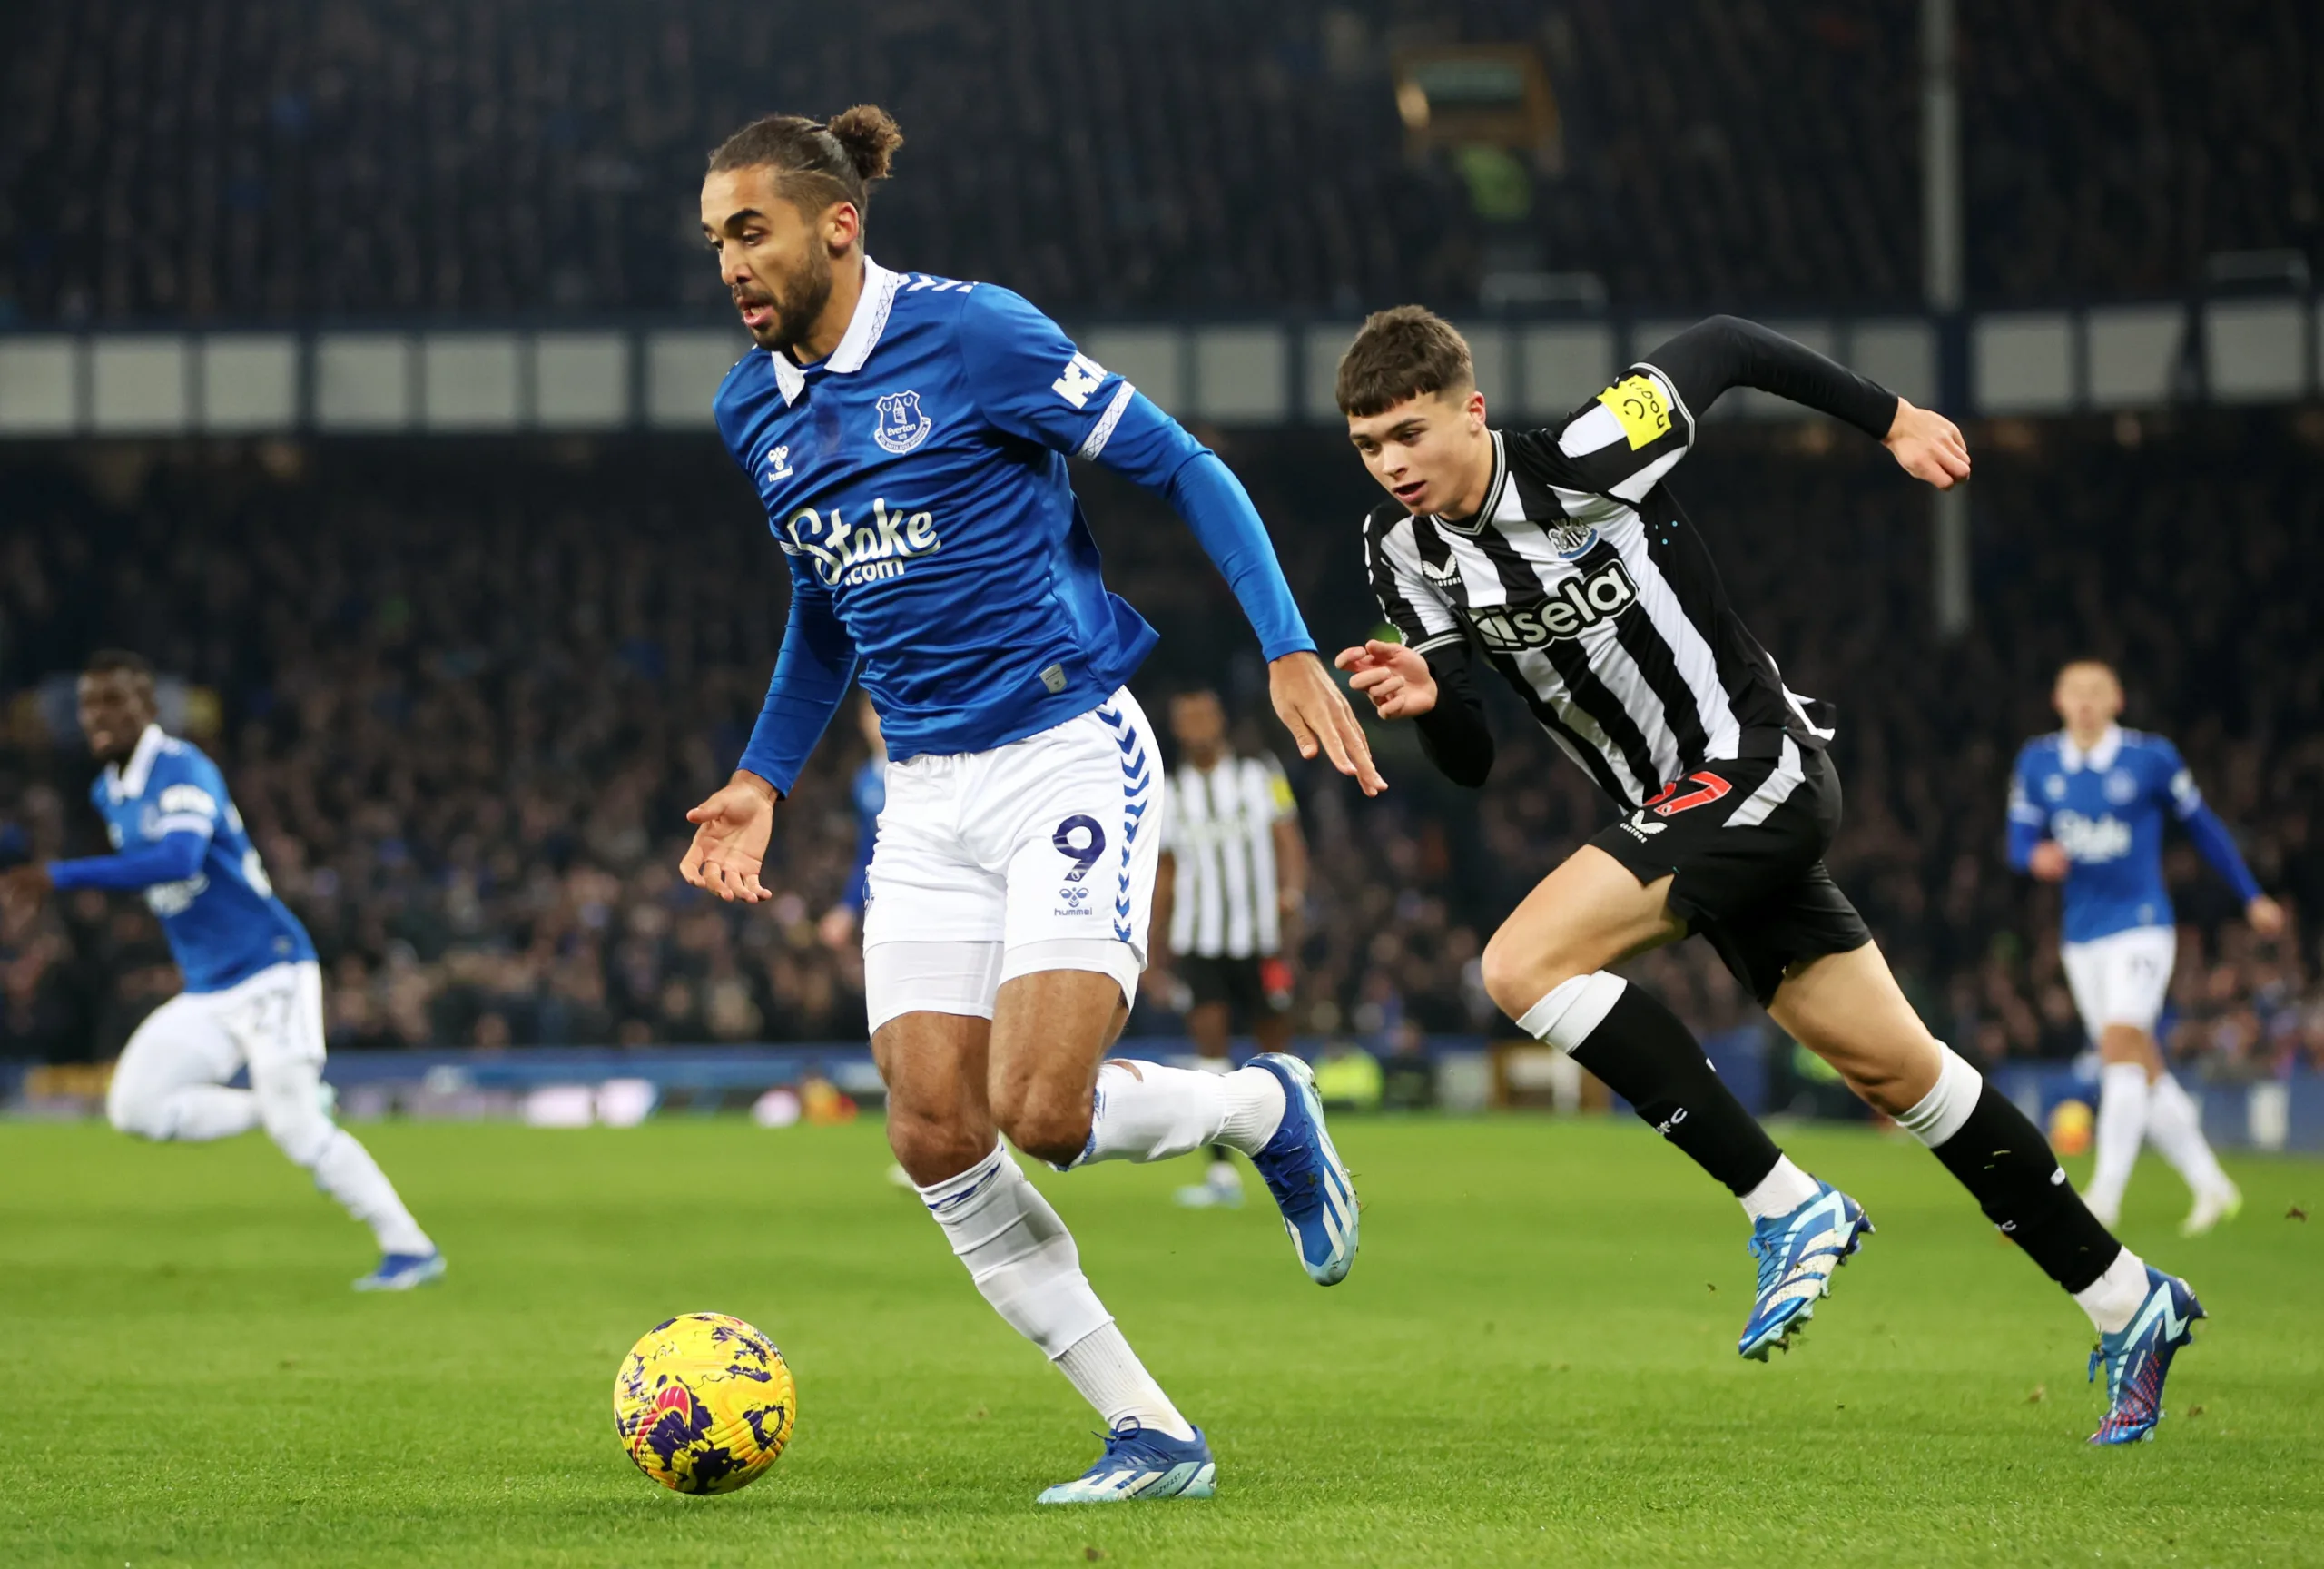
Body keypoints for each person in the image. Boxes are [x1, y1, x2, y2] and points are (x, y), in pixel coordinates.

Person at [1331, 307, 2200, 1446]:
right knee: (1900, 1074)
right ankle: (2128, 1299)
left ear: (1470, 411)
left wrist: (1890, 421)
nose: (1392, 464)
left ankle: (1787, 1204)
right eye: (1366, 446)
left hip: (1757, 767)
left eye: (1409, 432)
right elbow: (1475, 757)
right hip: (1679, 819)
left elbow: (1728, 342)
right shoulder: (1402, 554)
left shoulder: (1597, 453)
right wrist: (1433, 701)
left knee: (1520, 964)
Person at [678, 106, 1377, 1503]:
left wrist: (1288, 643)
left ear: (838, 224)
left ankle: (1259, 1106)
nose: (729, 265)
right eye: (712, 242)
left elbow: (1185, 463)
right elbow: (825, 607)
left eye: (749, 231)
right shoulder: (750, 410)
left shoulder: (976, 336)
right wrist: (762, 779)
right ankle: (1152, 1432)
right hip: (925, 796)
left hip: (1065, 745)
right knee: (935, 1132)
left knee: (1043, 1109)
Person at [0, 652, 441, 1290]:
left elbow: (179, 859)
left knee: (300, 1132)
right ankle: (276, 1107)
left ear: (148, 709)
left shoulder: (182, 768)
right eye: (90, 704)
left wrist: (61, 875)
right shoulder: (109, 790)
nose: (98, 715)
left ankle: (409, 1248)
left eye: (114, 702)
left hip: (272, 970)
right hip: (209, 986)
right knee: (135, 1107)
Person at [2009, 659, 2284, 1233]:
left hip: (2142, 924)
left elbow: (2204, 825)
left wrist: (2251, 895)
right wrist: (2034, 857)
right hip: (2080, 937)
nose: (2085, 701)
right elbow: (2017, 840)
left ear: (2117, 701)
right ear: (2058, 701)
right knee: (2140, 1063)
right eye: (2074, 692)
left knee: (2119, 1043)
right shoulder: (2037, 763)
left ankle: (2104, 1197)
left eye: (2096, 692)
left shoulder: (2150, 758)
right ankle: (2213, 1186)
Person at [1147, 688, 1308, 1209]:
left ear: (1220, 720)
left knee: (1276, 1054)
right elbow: (1166, 870)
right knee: (1210, 1052)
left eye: (1203, 715)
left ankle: (1301, 1160)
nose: (1196, 725)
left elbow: (1288, 839)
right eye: (1185, 717)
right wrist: (1156, 939)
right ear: (1177, 728)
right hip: (1201, 938)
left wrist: (1292, 896)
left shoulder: (1260, 775)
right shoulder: (1169, 791)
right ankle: (1222, 1177)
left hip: (1260, 937)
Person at [815, 692, 888, 953]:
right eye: (875, 713)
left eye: (888, 712)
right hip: (896, 895)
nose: (882, 723)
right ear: (862, 721)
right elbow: (869, 851)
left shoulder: (924, 767)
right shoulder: (864, 782)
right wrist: (846, 908)